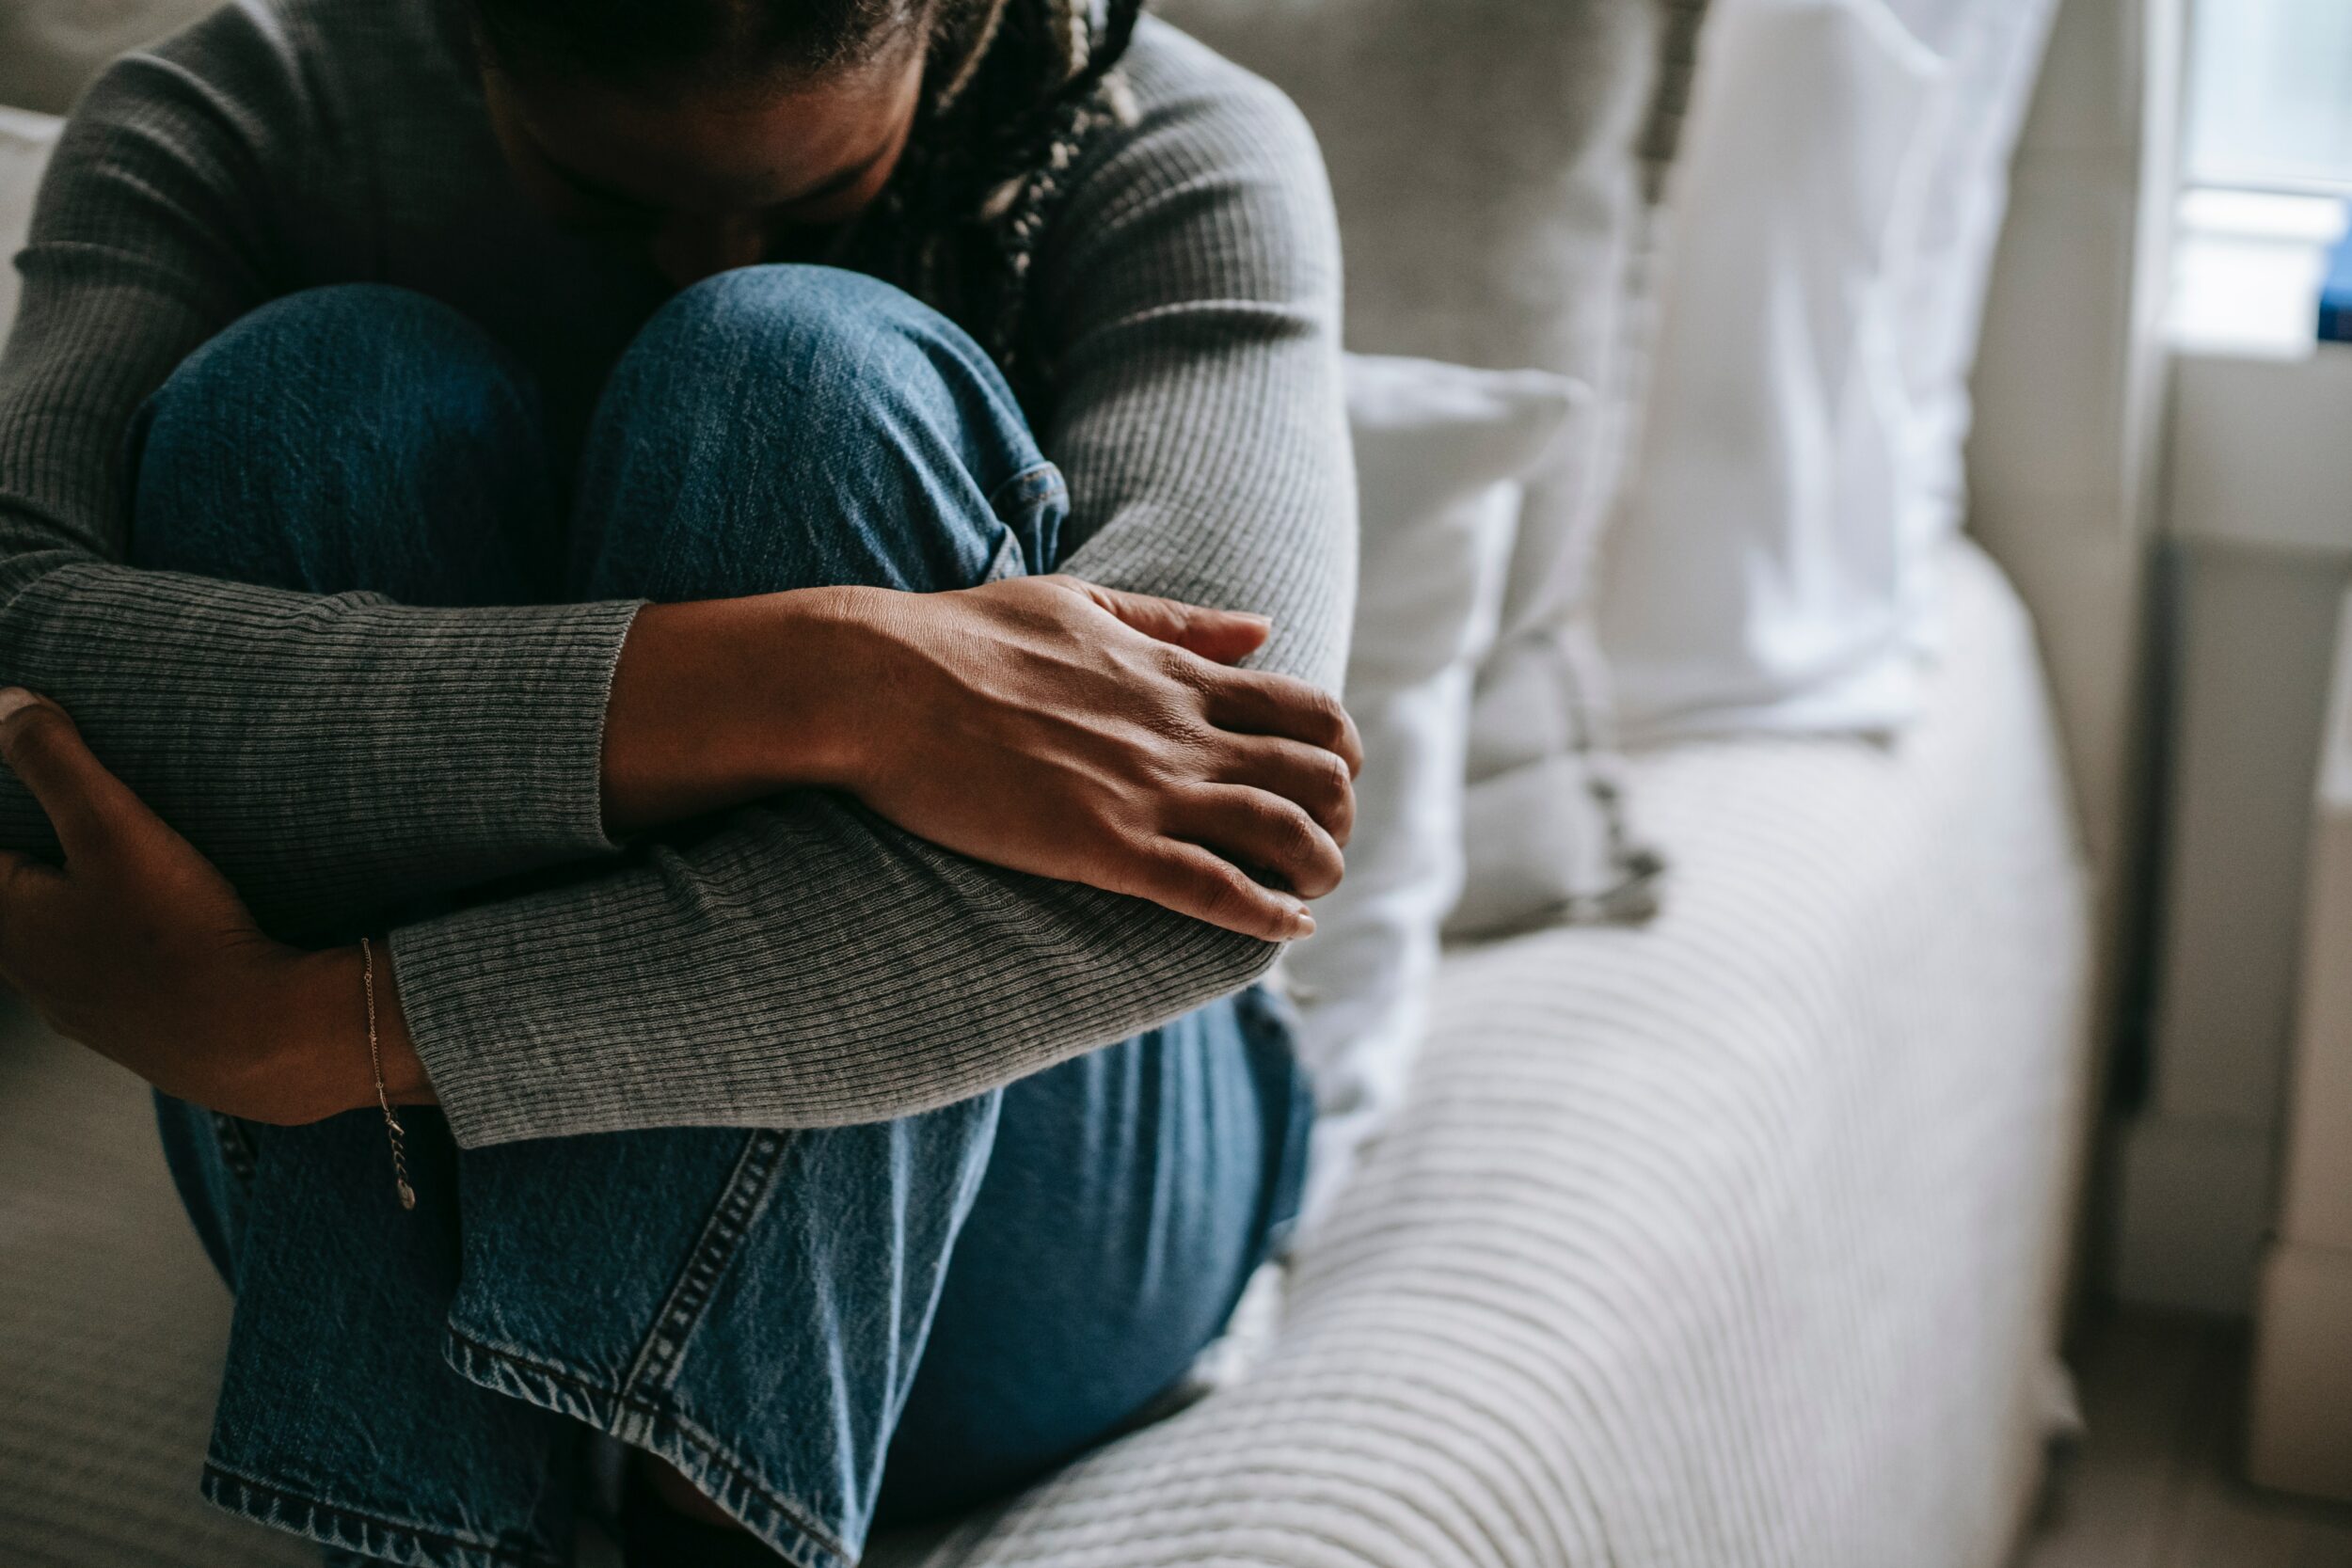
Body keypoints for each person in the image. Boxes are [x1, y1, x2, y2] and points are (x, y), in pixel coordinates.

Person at [0, 0, 1357, 1560]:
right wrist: (835, 679)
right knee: (307, 400)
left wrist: (309, 1033)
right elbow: (18, 658)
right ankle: (437, 1513)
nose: (701, 254)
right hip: (401, 1194)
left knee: (794, 368)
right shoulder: (241, 108)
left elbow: (1228, 868)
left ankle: (712, 1520)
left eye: (818, 197)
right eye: (610, 201)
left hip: (1016, 1213)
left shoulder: (1166, 146)